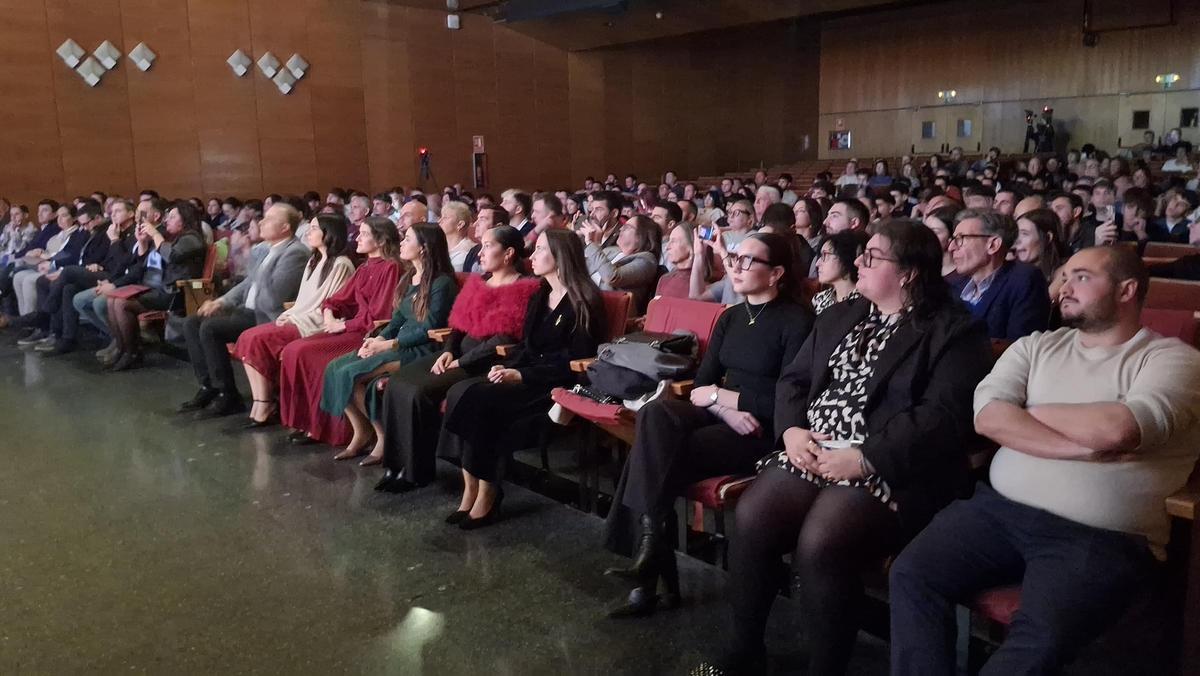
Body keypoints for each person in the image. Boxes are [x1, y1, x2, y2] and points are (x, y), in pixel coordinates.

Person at [699, 219, 992, 676]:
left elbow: (941, 417)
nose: (859, 262)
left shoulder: (953, 330)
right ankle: (745, 650)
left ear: (910, 272)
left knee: (822, 539)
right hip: (815, 447)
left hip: (889, 465)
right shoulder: (843, 313)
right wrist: (791, 431)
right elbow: (794, 381)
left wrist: (865, 458)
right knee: (754, 515)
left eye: (871, 256)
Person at [890, 246, 1200, 676]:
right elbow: (987, 415)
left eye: (1082, 277)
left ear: (1127, 290)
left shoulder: (1173, 359)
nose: (1064, 287)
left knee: (1041, 636)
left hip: (1100, 535)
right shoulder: (1035, 346)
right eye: (1064, 276)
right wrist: (1081, 447)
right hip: (998, 511)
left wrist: (1027, 411)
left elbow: (1120, 429)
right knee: (911, 573)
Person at [603, 232, 815, 617]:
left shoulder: (796, 320)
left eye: (748, 261)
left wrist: (723, 399)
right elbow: (702, 386)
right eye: (734, 258)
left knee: (653, 455)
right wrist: (724, 404)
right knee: (655, 415)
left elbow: (787, 398)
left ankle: (650, 572)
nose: (735, 266)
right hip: (724, 415)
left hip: (762, 430)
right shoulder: (732, 316)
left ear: (776, 273)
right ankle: (651, 555)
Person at [437, 229, 607, 530]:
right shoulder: (541, 293)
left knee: (480, 400)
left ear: (560, 257)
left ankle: (488, 491)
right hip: (527, 373)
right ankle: (472, 488)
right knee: (469, 393)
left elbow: (576, 362)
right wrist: (506, 368)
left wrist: (522, 374)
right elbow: (528, 346)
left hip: (555, 383)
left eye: (540, 249)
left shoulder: (584, 300)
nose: (532, 255)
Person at [374, 226, 540, 492]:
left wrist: (460, 362)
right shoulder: (480, 281)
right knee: (397, 382)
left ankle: (415, 471)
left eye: (488, 246)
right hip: (457, 355)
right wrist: (449, 351)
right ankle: (395, 465)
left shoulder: (524, 288)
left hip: (484, 362)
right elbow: (458, 324)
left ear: (508, 253)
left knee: (417, 391)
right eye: (481, 245)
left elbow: (503, 339)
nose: (480, 252)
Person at [320, 224, 458, 464]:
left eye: (408, 239)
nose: (401, 243)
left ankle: (383, 438)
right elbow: (397, 320)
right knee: (334, 367)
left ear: (424, 248)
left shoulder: (441, 283)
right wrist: (378, 339)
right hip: (397, 343)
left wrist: (388, 345)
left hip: (424, 348)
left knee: (351, 373)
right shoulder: (409, 278)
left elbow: (429, 329)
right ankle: (362, 431)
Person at [278, 216, 402, 446]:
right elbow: (336, 300)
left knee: (307, 354)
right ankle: (309, 423)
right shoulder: (364, 267)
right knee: (294, 350)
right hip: (352, 328)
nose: (358, 238)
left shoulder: (390, 267)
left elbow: (379, 315)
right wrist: (329, 313)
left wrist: (342, 325)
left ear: (381, 240)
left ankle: (328, 428)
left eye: (364, 234)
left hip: (368, 333)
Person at [177, 204, 308, 412]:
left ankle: (227, 394)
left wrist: (252, 259)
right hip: (247, 310)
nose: (261, 222)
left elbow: (273, 298)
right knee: (192, 322)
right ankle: (208, 386)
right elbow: (248, 283)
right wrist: (221, 301)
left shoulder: (295, 253)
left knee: (211, 328)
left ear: (285, 227)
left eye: (269, 219)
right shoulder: (267, 249)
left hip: (266, 316)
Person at [232, 214, 356, 427]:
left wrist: (296, 317)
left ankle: (265, 404)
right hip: (299, 317)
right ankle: (261, 401)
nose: (308, 232)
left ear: (329, 233)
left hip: (315, 323)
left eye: (314, 228)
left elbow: (330, 304)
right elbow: (303, 301)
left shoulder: (341, 264)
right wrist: (291, 314)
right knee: (247, 337)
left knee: (256, 339)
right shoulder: (314, 260)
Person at [104, 201, 208, 371]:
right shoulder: (172, 237)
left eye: (172, 217)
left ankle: (132, 353)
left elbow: (172, 255)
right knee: (112, 300)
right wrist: (143, 242)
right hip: (159, 288)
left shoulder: (192, 238)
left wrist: (154, 234)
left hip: (177, 292)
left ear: (185, 219)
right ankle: (123, 349)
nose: (167, 220)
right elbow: (145, 264)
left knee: (122, 304)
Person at [949, 209, 1050, 341]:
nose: (951, 247)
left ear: (993, 245)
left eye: (960, 239)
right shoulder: (954, 284)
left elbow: (1021, 346)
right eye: (953, 239)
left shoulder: (1024, 280)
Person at [582, 214, 660, 314]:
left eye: (627, 227)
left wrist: (590, 243)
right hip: (585, 301)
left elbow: (612, 277)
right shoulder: (612, 250)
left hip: (608, 311)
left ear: (641, 236)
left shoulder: (647, 260)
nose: (621, 228)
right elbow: (581, 271)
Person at [812, 230, 869, 314]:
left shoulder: (866, 301)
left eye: (825, 255)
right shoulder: (819, 299)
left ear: (845, 256)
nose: (817, 263)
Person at [1013, 208, 1067, 283]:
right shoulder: (1012, 271)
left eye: (1025, 234)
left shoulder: (1064, 273)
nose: (1017, 240)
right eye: (1016, 234)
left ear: (1048, 237)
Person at [655, 222, 706, 299]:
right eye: (669, 241)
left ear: (692, 246)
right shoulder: (664, 279)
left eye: (673, 241)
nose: (667, 247)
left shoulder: (704, 285)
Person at [921, 206, 962, 281]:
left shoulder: (964, 275)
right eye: (924, 231)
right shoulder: (921, 269)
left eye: (935, 232)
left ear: (952, 236)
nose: (926, 236)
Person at [437, 200, 474, 270]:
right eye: (441, 217)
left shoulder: (466, 252)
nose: (439, 221)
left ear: (460, 224)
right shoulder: (438, 245)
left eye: (445, 217)